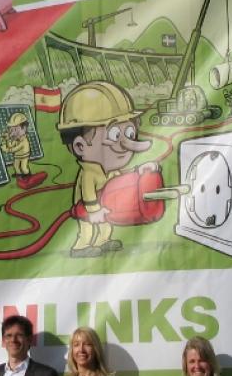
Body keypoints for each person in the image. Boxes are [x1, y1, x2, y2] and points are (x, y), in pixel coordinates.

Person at [57, 81, 159, 258]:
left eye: (129, 133)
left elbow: (121, 181)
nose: (126, 144)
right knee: (87, 228)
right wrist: (94, 210)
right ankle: (81, 247)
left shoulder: (111, 171)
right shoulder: (90, 172)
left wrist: (139, 171)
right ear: (80, 146)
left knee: (106, 226)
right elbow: (88, 193)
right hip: (88, 209)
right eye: (114, 135)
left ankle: (103, 241)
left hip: (105, 206)